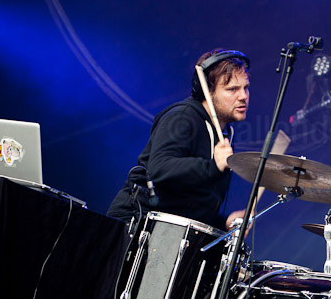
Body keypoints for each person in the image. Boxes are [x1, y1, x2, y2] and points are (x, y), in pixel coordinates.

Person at [106, 49, 250, 232]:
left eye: (245, 87)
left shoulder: (224, 134)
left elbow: (191, 203)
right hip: (135, 225)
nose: (243, 96)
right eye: (232, 89)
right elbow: (159, 168)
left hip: (168, 232)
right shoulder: (183, 117)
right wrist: (214, 166)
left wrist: (224, 223)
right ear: (207, 91)